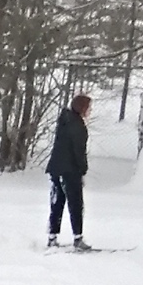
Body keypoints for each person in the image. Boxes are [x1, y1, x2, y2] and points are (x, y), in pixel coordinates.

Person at [47, 87, 91, 246]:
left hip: (56, 168)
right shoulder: (77, 125)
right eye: (89, 107)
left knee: (57, 202)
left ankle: (52, 236)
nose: (90, 111)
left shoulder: (65, 120)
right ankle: (78, 237)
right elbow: (79, 150)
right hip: (70, 170)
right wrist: (83, 169)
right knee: (76, 204)